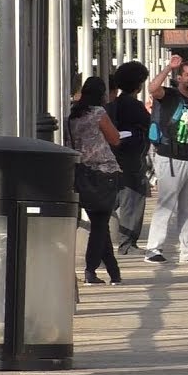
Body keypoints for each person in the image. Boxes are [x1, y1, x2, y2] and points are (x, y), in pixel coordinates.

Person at [144, 56, 188, 264]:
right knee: (166, 205)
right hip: (169, 158)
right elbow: (152, 89)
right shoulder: (169, 96)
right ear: (179, 78)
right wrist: (168, 68)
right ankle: (153, 249)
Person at [68, 77, 123, 285]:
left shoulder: (72, 116)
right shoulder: (98, 114)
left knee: (100, 223)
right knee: (101, 224)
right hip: (103, 173)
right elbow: (115, 138)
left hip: (81, 174)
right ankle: (90, 270)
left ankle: (114, 272)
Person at [105, 62, 151, 256]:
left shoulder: (112, 105)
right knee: (132, 200)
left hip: (113, 157)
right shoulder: (135, 106)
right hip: (131, 159)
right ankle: (127, 243)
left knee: (113, 199)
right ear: (139, 85)